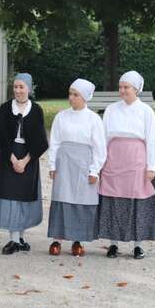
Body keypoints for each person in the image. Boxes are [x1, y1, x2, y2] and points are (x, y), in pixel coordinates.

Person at [98, 70, 155, 259]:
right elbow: (103, 138)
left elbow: (151, 140)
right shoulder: (111, 109)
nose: (122, 90)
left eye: (126, 87)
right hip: (114, 160)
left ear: (136, 89)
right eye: (120, 87)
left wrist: (151, 166)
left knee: (137, 202)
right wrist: (100, 163)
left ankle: (138, 245)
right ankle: (113, 243)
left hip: (136, 162)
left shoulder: (146, 111)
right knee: (113, 200)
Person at [47, 78, 106, 257]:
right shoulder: (61, 116)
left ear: (85, 97)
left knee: (81, 200)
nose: (71, 98)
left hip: (84, 164)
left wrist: (94, 170)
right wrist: (52, 164)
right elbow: (55, 141)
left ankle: (77, 241)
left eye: (75, 94)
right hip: (64, 164)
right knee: (62, 198)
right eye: (70, 94)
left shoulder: (94, 119)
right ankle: (57, 239)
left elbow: (99, 148)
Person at [0, 73, 49, 255]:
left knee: (24, 197)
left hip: (28, 158)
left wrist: (25, 160)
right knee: (10, 198)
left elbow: (40, 139)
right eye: (15, 87)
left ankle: (21, 237)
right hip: (9, 158)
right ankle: (13, 239)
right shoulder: (4, 108)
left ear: (29, 89)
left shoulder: (37, 110)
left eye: (21, 87)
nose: (17, 90)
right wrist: (13, 159)